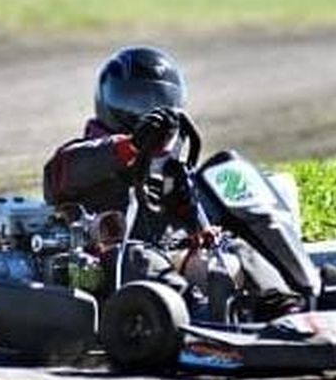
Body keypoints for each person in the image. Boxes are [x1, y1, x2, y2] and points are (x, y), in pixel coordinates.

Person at [43, 44, 302, 318]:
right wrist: (131, 145)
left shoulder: (173, 165)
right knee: (138, 257)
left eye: (160, 101)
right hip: (110, 265)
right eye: (140, 101)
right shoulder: (80, 156)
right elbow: (60, 177)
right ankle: (193, 312)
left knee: (237, 248)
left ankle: (283, 304)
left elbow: (187, 210)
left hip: (174, 256)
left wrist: (201, 232)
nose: (151, 110)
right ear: (111, 101)